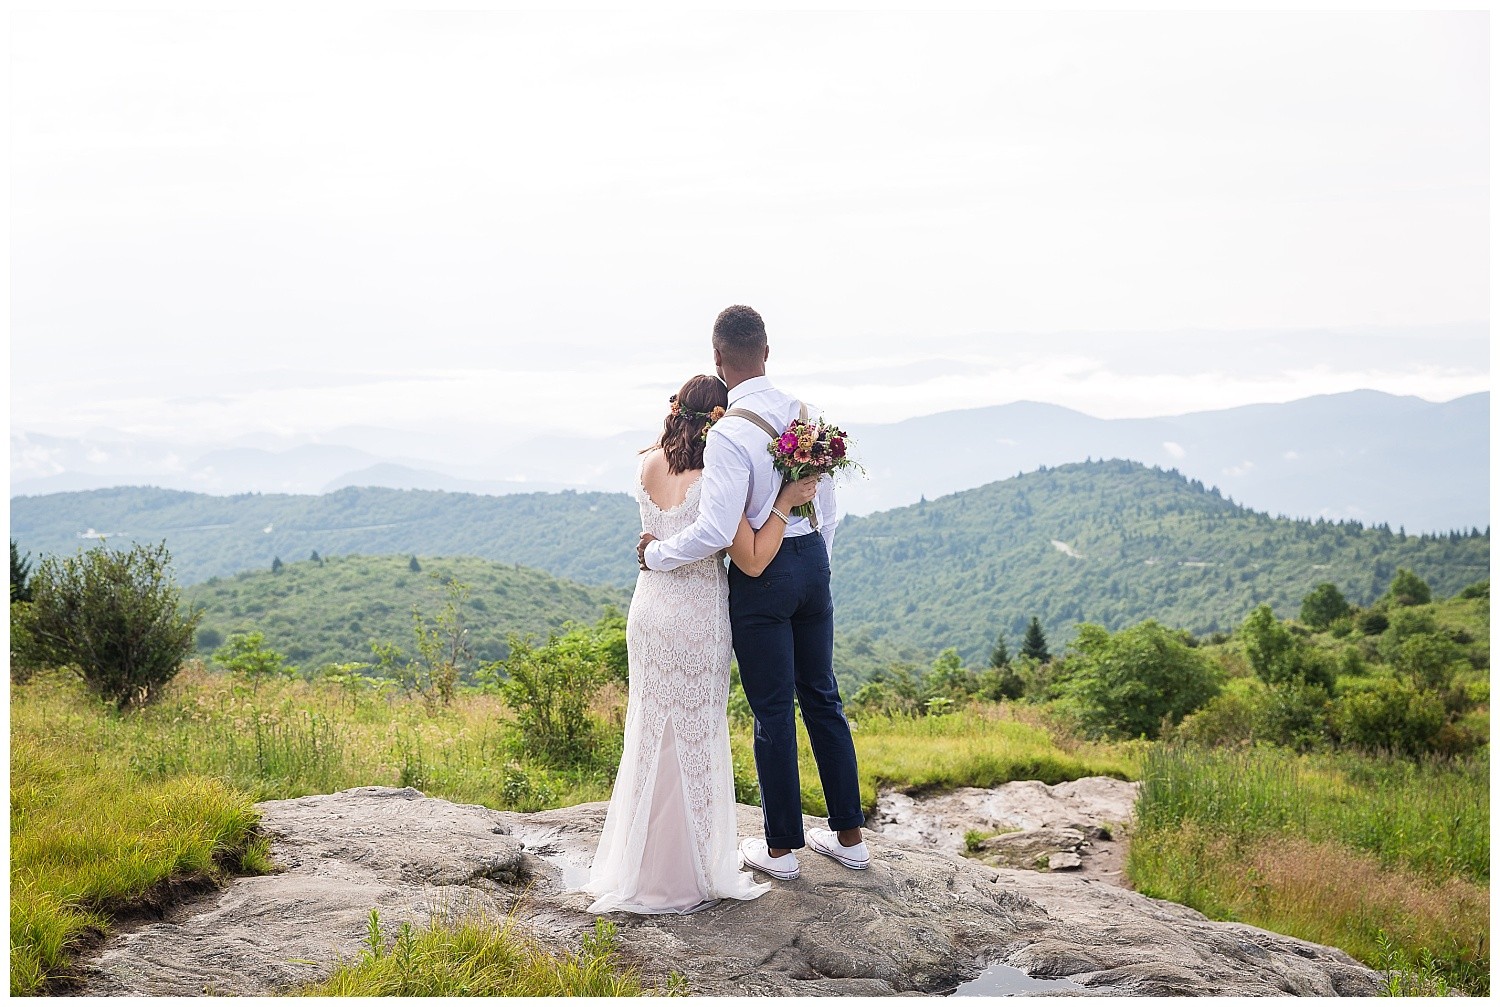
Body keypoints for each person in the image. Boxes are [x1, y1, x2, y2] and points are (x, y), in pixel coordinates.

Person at [639, 304, 869, 883]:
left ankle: (781, 852)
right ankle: (850, 839)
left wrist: (658, 556)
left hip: (762, 577)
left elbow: (718, 531)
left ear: (718, 359)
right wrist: (817, 564)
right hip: (812, 559)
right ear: (767, 352)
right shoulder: (807, 414)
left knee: (772, 710)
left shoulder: (729, 434)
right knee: (823, 697)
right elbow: (831, 507)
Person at [582, 373, 820, 915]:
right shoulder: (716, 474)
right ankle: (687, 873)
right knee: (696, 733)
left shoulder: (645, 462)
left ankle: (636, 866)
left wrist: (657, 550)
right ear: (719, 420)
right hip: (697, 612)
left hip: (649, 608)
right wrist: (785, 498)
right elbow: (748, 552)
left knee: (648, 733)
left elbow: (654, 535)